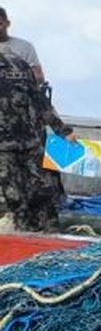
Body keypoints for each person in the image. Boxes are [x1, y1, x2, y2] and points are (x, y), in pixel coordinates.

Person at [0, 51, 75, 232]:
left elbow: (40, 101)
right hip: (2, 150)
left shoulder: (18, 65)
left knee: (43, 191)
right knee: (14, 196)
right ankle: (24, 234)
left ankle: (52, 234)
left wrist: (63, 131)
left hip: (30, 142)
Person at [0, 7, 46, 86]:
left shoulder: (25, 47)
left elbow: (39, 76)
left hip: (19, 94)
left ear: (7, 23)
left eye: (0, 24)